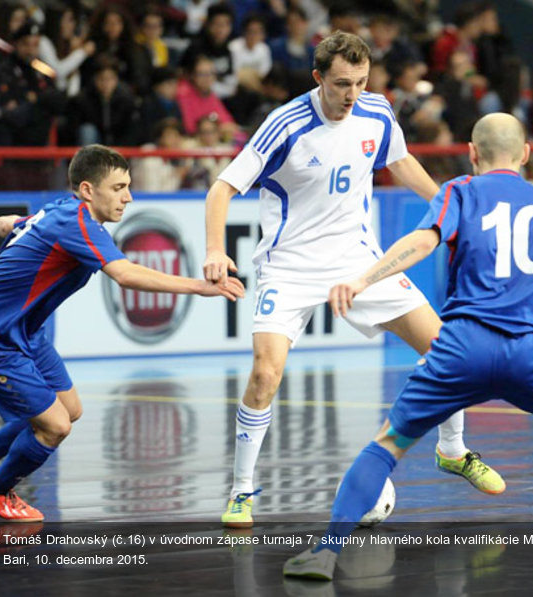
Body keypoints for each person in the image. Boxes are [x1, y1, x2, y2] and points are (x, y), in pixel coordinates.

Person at [282, 113, 533, 580]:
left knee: (388, 444)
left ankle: (324, 553)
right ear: (525, 154)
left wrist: (363, 279)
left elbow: (425, 241)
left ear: (472, 152)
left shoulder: (460, 191)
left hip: (462, 349)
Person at [204, 32, 504, 530]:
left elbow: (401, 162)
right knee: (264, 375)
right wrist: (215, 250)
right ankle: (241, 491)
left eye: (360, 83)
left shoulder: (376, 110)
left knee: (446, 350)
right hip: (290, 265)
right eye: (342, 84)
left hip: (358, 261)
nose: (351, 94)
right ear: (318, 77)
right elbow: (222, 188)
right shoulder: (286, 124)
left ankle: (453, 450)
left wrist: (452, 213)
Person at [0, 144, 244, 522]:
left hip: (23, 332)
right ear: (88, 190)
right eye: (119, 187)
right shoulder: (77, 223)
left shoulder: (61, 209)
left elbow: (18, 223)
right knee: (54, 426)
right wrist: (200, 287)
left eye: (129, 186)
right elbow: (125, 274)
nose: (129, 197)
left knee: (69, 410)